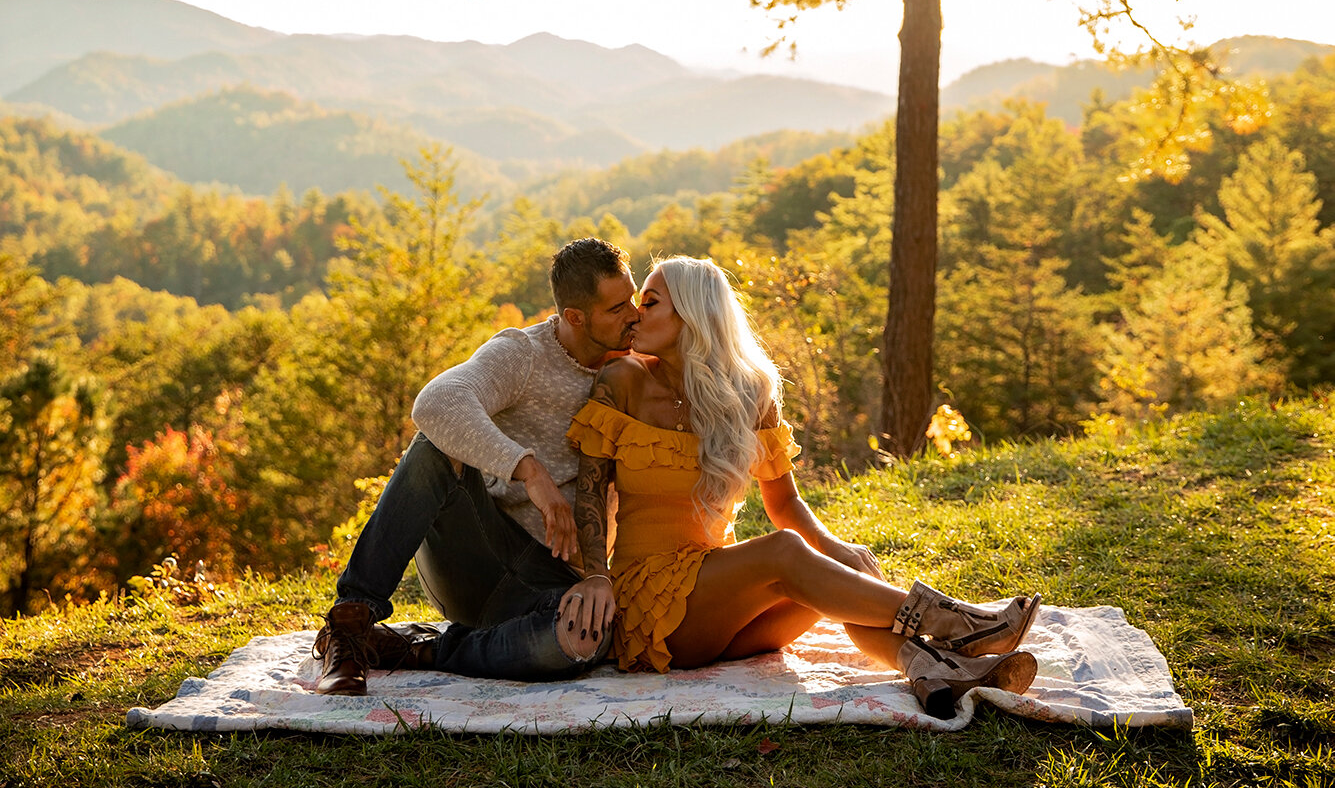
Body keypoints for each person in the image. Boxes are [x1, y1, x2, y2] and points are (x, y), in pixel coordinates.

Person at [566, 257, 1042, 718]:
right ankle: (958, 623)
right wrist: (594, 576)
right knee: (785, 552)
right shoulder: (621, 379)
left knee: (839, 574)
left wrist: (837, 548)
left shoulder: (749, 392)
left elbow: (785, 500)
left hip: (721, 610)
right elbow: (587, 495)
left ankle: (931, 669)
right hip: (651, 607)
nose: (633, 314)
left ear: (693, 313)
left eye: (649, 302)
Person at [312, 236, 641, 695]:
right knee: (433, 448)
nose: (634, 315)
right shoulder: (523, 354)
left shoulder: (635, 369)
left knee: (587, 639)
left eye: (634, 298)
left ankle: (423, 649)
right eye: (617, 308)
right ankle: (350, 625)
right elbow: (437, 401)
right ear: (575, 318)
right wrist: (529, 469)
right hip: (474, 556)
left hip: (549, 584)